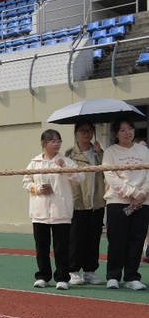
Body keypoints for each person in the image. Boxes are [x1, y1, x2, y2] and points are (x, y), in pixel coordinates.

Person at [23, 129, 84, 290]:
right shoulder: (35, 162)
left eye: (59, 141)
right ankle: (43, 276)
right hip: (40, 212)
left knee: (61, 248)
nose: (56, 144)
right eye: (52, 141)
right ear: (43, 143)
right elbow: (25, 182)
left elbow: (80, 178)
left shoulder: (66, 161)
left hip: (61, 212)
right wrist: (37, 189)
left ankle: (62, 278)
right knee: (41, 247)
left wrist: (64, 167)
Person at [102, 118, 149, 290]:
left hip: (143, 201)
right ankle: (113, 276)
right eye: (122, 130)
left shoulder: (143, 150)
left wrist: (143, 193)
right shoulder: (110, 152)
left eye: (130, 129)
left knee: (136, 240)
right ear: (116, 134)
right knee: (117, 240)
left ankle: (131, 277)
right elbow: (110, 176)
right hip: (118, 201)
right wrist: (134, 193)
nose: (127, 132)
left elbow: (148, 174)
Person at [64, 122, 105, 285]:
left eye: (89, 131)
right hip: (78, 201)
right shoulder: (69, 153)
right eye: (82, 130)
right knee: (75, 238)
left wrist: (100, 154)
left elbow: (107, 171)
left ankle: (90, 271)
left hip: (96, 201)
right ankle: (73, 270)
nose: (86, 133)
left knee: (93, 238)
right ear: (76, 133)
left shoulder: (99, 153)